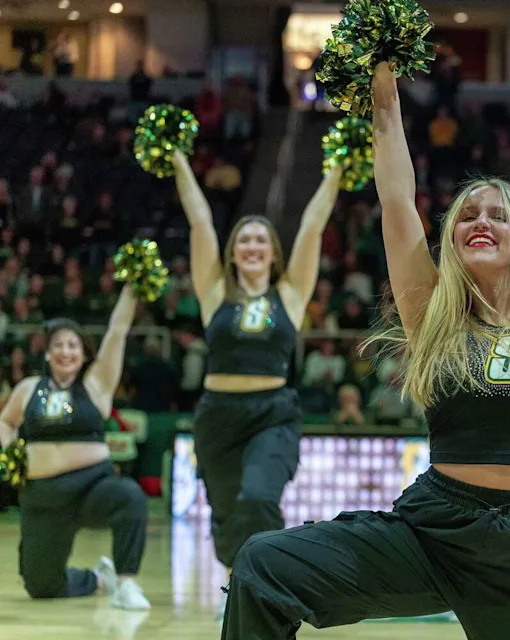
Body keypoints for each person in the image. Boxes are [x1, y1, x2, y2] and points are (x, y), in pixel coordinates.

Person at [220, 61, 510, 640]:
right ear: (452, 239)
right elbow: (396, 199)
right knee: (264, 566)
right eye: (467, 215)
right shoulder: (433, 315)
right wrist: (384, 91)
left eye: (497, 215)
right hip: (434, 531)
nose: (479, 222)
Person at [171, 150, 342, 616]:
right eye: (243, 239)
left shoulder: (290, 293)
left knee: (259, 497)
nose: (251, 246)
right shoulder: (214, 292)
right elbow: (199, 221)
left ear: (273, 252)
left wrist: (337, 169)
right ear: (232, 251)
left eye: (260, 240)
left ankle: (267, 581)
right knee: (227, 511)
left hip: (272, 415)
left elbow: (312, 226)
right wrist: (179, 159)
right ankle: (239, 584)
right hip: (217, 417)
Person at [0, 286, 150, 609]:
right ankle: (99, 578)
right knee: (41, 587)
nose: (65, 351)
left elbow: (117, 332)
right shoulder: (28, 388)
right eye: (58, 345)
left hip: (91, 489)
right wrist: (11, 452)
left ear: (83, 354)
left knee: (130, 497)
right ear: (46, 353)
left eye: (72, 345)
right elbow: (5, 421)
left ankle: (126, 582)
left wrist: (130, 289)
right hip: (41, 497)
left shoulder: (96, 385)